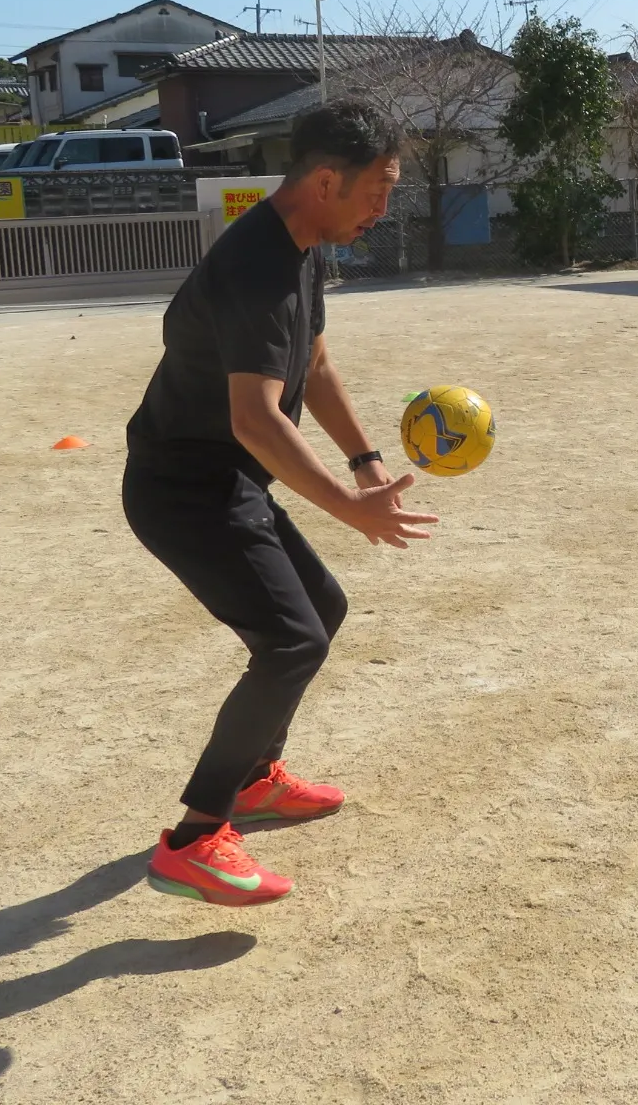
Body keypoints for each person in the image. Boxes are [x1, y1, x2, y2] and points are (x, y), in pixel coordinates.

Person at [126, 101, 439, 908]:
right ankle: (194, 840)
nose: (383, 207)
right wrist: (349, 507)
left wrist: (365, 460)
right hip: (183, 489)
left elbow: (318, 365)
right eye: (378, 190)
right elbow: (254, 417)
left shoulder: (302, 248)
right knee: (292, 641)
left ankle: (257, 777)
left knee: (320, 610)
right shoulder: (255, 263)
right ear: (327, 181)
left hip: (228, 481)